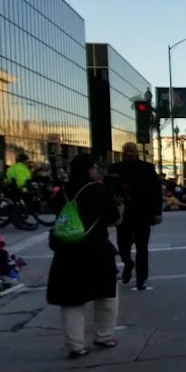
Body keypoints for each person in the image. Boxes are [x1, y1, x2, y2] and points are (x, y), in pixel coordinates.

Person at [46, 153, 121, 360]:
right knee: (106, 295)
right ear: (90, 169)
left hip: (67, 251)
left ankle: (76, 345)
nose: (97, 170)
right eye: (95, 167)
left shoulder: (62, 192)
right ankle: (104, 336)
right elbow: (115, 220)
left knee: (71, 300)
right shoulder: (98, 191)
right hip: (96, 250)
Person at [106, 142, 162, 290]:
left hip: (142, 214)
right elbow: (108, 191)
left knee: (142, 247)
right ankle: (128, 263)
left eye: (131, 151)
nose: (128, 153)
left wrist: (157, 213)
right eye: (126, 151)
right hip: (123, 214)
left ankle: (141, 278)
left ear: (136, 152)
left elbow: (156, 192)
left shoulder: (147, 169)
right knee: (122, 245)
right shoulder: (115, 169)